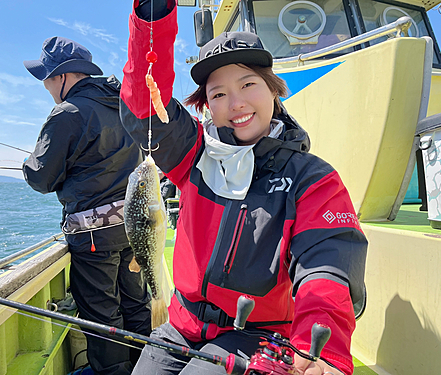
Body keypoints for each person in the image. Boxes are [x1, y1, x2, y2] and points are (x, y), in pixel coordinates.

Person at [120, 1, 367, 375]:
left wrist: (323, 350)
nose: (236, 103)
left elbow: (327, 269)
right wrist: (151, 18)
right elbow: (144, 104)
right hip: (179, 326)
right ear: (207, 105)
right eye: (218, 94)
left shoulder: (312, 179)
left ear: (273, 90)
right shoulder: (193, 154)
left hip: (257, 335)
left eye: (248, 84)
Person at [22, 36, 151, 375]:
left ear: (63, 76)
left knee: (101, 315)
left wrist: (28, 163)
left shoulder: (68, 114)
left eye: (47, 78)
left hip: (93, 237)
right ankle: (147, 367)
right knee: (136, 304)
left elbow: (41, 179)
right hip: (132, 229)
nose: (46, 86)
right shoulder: (123, 105)